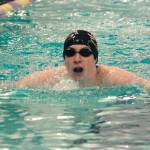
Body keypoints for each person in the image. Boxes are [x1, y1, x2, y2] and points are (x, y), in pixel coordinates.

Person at [13, 30, 150, 91]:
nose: (77, 59)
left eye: (85, 53)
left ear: (95, 58)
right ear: (64, 58)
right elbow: (13, 87)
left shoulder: (111, 77)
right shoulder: (52, 78)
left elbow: (145, 85)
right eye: (70, 53)